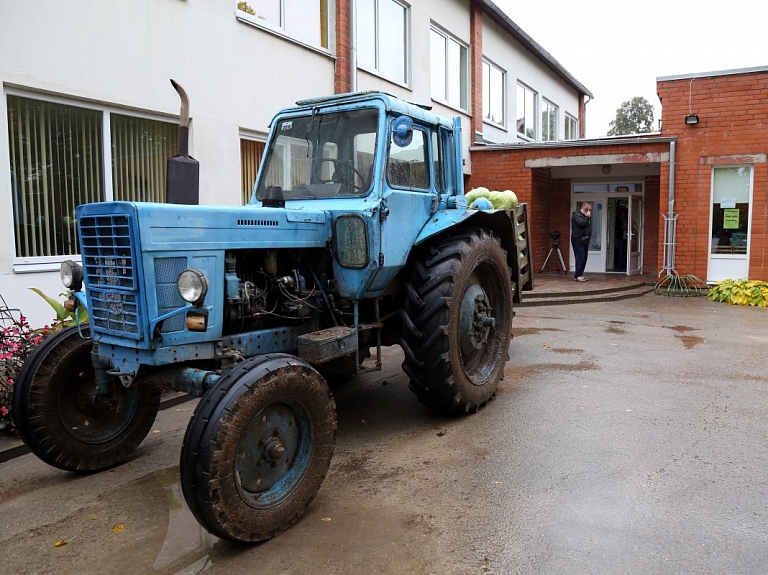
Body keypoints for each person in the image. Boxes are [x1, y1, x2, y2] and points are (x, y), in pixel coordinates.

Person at [571, 201, 592, 282]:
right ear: (585, 209)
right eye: (589, 210)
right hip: (578, 239)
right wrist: (587, 217)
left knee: (584, 257)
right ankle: (578, 275)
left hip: (584, 240)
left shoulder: (584, 216)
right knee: (580, 257)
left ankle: (580, 274)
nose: (590, 212)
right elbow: (581, 223)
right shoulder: (577, 215)